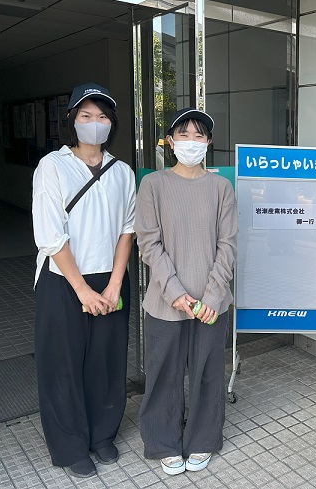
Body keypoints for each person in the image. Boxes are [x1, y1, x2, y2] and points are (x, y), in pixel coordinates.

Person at [32, 83, 136, 478]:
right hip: (63, 279)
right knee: (62, 364)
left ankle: (102, 434)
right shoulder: (52, 166)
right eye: (86, 115)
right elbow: (50, 234)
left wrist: (114, 284)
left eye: (102, 116)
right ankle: (69, 445)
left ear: (112, 123)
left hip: (110, 278)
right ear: (72, 121)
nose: (94, 123)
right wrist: (82, 290)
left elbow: (127, 230)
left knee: (106, 361)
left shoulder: (122, 172)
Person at [134, 108, 236, 476]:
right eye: (183, 134)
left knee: (208, 373)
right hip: (165, 301)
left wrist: (212, 296)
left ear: (208, 143)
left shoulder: (221, 188)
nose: (191, 142)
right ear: (170, 141)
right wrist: (175, 292)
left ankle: (203, 438)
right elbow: (148, 242)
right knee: (163, 373)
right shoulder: (153, 185)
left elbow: (227, 245)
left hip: (210, 303)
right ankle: (163, 441)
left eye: (198, 135)